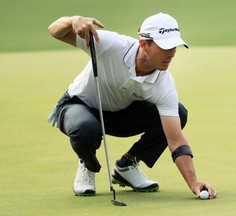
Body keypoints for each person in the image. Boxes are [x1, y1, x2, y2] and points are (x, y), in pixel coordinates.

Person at [47, 12, 217, 199]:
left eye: (174, 46)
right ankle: (87, 164)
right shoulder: (111, 45)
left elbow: (176, 140)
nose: (172, 53)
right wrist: (72, 21)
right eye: (165, 47)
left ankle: (127, 165)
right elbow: (55, 31)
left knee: (179, 112)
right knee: (86, 128)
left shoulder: (164, 83)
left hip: (118, 114)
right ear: (144, 44)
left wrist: (194, 182)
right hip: (78, 106)